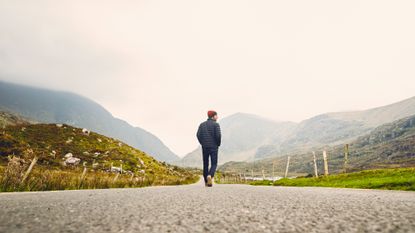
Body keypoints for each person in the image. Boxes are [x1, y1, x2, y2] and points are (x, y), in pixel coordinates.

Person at [197, 110, 221, 187]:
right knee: (214, 163)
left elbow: (198, 135)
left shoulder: (202, 125)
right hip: (214, 147)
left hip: (205, 147)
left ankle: (206, 182)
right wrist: (218, 144)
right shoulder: (216, 125)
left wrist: (202, 143)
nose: (217, 117)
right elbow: (218, 136)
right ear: (213, 116)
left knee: (205, 164)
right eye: (216, 115)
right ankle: (210, 175)